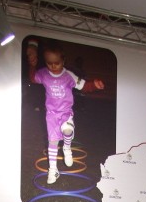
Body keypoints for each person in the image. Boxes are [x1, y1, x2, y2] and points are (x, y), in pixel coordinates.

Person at [27, 39, 105, 185]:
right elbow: (33, 78)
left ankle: (67, 148)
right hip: (51, 115)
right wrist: (32, 65)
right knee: (52, 142)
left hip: (65, 113)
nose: (53, 66)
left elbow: (83, 86)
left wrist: (94, 85)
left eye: (56, 63)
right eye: (49, 63)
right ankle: (53, 170)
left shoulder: (68, 75)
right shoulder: (44, 74)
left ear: (63, 61)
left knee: (67, 130)